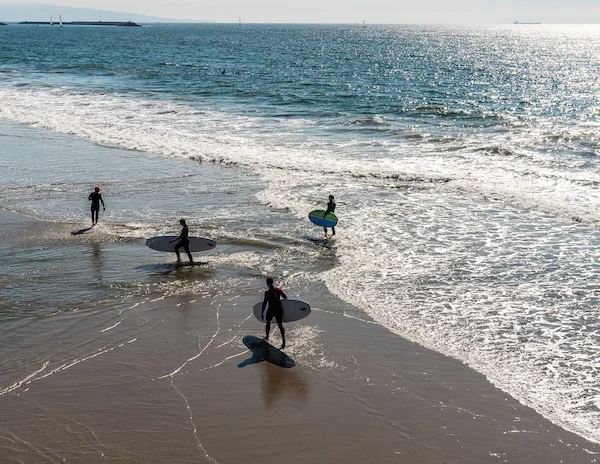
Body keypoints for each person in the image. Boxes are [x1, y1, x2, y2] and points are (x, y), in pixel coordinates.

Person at [261, 277, 287, 349]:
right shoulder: (278, 290)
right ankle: (284, 341)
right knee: (280, 325)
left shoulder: (267, 292)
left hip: (271, 309)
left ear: (267, 283)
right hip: (278, 309)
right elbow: (285, 297)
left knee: (268, 323)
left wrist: (262, 312)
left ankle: (267, 337)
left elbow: (264, 303)